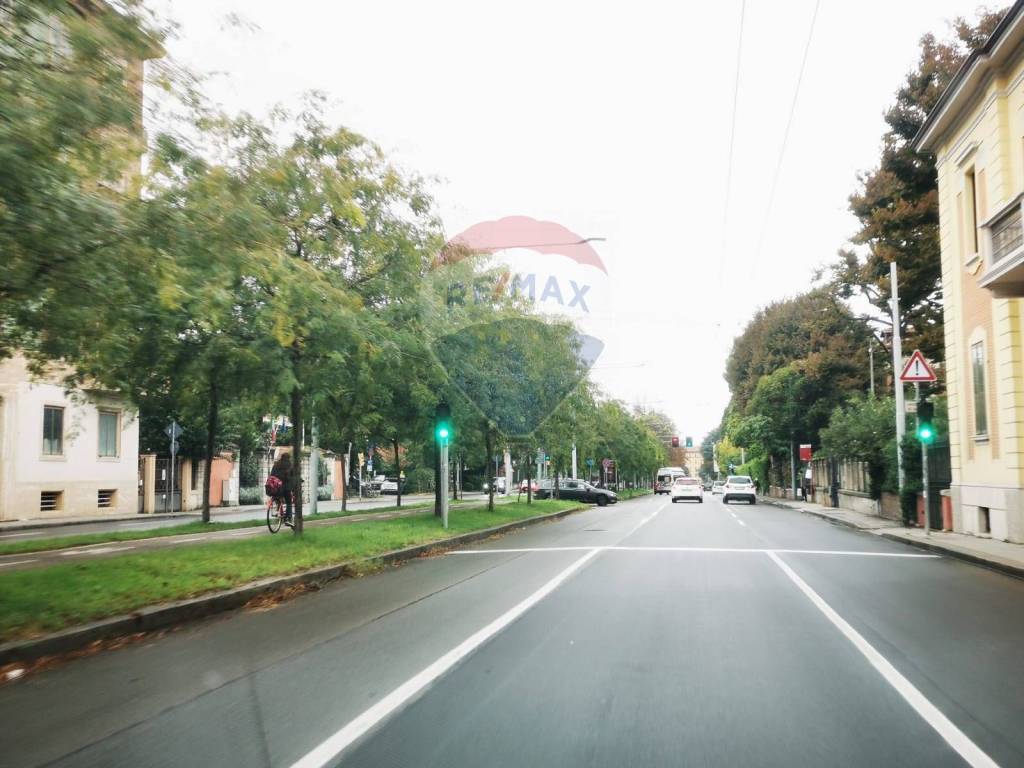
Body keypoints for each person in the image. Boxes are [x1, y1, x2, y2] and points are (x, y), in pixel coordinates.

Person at [270, 453, 293, 522]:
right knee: (289, 501)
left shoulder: (276, 464)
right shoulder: (289, 465)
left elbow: (272, 475)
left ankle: (278, 513)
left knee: (278, 499)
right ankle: (289, 517)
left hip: (275, 487)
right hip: (284, 487)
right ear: (288, 458)